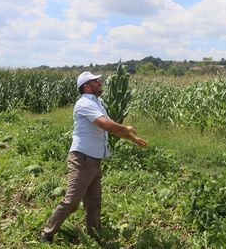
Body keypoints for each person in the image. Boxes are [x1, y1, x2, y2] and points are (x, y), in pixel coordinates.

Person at [40, 71, 148, 244]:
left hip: (94, 159)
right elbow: (105, 125)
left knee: (94, 201)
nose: (99, 83)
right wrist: (126, 128)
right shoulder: (84, 103)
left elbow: (113, 127)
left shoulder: (98, 104)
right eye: (95, 81)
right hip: (82, 158)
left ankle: (94, 236)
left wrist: (133, 139)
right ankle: (47, 233)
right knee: (72, 201)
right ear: (86, 86)